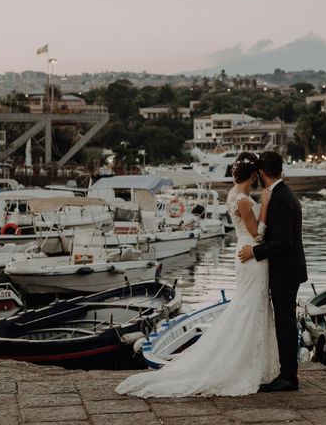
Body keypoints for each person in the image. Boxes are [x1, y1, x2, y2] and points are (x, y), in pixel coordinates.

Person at [116, 152, 279, 397]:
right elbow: (257, 234)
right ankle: (247, 365)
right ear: (254, 173)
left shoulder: (234, 195)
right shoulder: (244, 200)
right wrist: (265, 205)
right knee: (250, 307)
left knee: (250, 306)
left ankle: (255, 362)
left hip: (246, 255)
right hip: (251, 255)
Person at [238, 151, 307, 393]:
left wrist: (255, 252)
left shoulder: (278, 198)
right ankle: (287, 372)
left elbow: (283, 243)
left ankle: (288, 377)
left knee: (285, 322)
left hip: (286, 270)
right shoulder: (282, 193)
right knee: (285, 320)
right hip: (289, 269)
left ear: (262, 173)